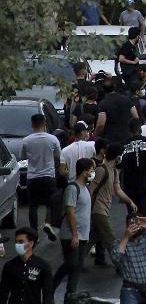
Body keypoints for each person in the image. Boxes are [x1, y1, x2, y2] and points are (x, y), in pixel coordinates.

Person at [53, 157, 93, 297]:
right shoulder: (72, 188)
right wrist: (75, 234)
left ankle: (70, 295)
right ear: (84, 172)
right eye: (91, 170)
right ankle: (50, 287)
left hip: (83, 235)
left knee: (76, 266)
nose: (92, 172)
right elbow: (70, 211)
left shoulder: (85, 188)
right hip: (71, 235)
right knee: (71, 264)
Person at [19, 113, 60, 236]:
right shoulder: (53, 139)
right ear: (45, 123)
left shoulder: (26, 141)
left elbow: (22, 157)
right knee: (51, 202)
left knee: (33, 206)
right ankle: (48, 223)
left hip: (32, 177)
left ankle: (33, 233)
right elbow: (58, 156)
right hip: (49, 176)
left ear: (32, 125)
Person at [114, 216, 146, 304]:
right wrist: (125, 237)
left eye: (137, 224)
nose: (135, 227)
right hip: (130, 291)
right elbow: (116, 258)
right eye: (131, 224)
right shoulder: (120, 243)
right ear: (127, 227)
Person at [0, 227, 52, 304]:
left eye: (21, 242)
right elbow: (3, 294)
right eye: (16, 242)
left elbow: (48, 295)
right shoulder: (9, 266)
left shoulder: (43, 266)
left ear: (31, 243)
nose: (17, 245)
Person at [120, 117, 146, 218]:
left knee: (132, 213)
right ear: (140, 129)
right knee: (144, 213)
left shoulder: (124, 145)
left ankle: (133, 231)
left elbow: (121, 166)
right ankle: (143, 231)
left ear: (129, 130)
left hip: (130, 185)